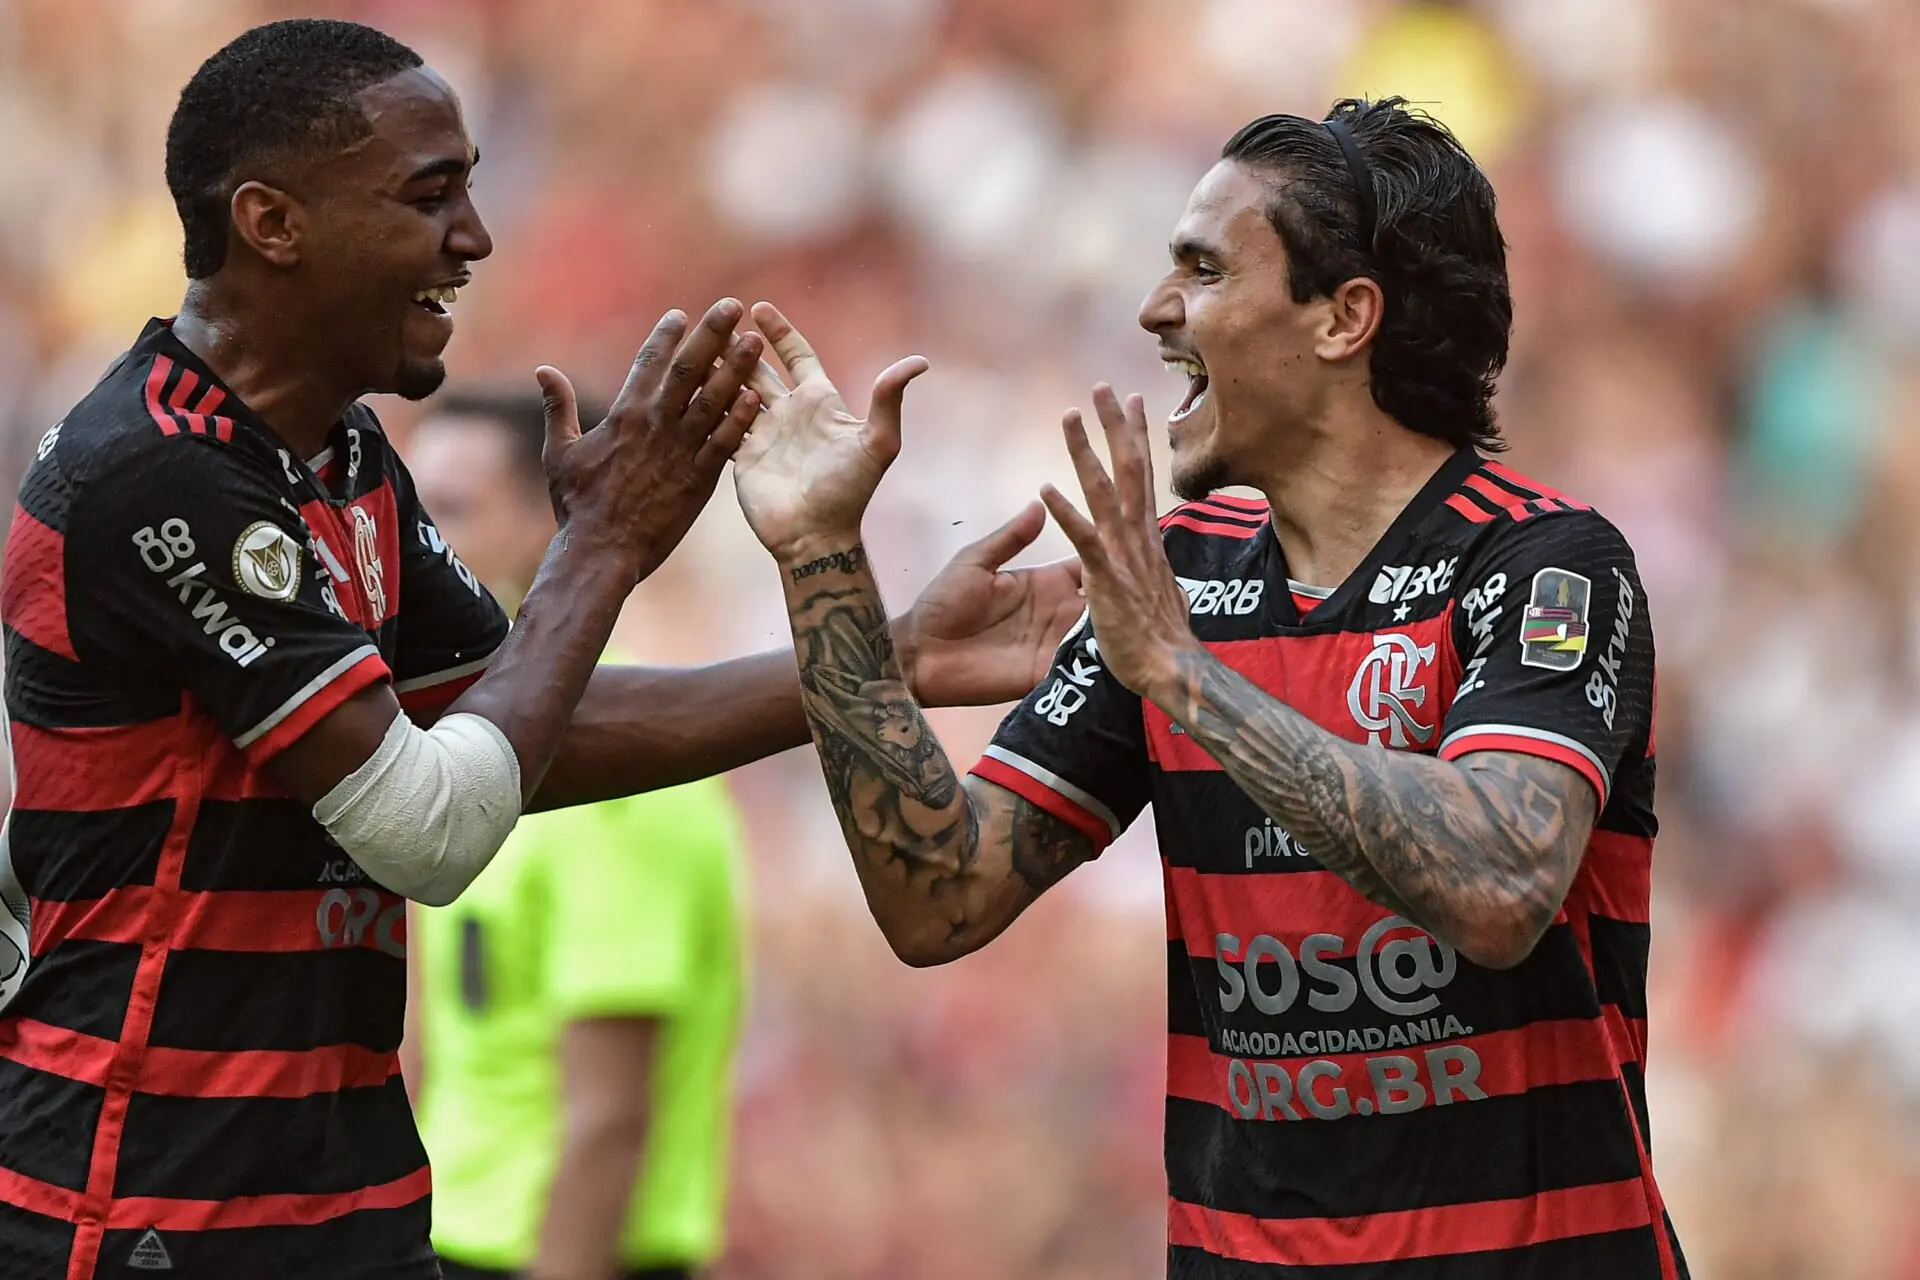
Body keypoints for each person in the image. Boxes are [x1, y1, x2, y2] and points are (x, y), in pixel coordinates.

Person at [0, 19, 1080, 1279]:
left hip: (344, 1208)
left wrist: (877, 663)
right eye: (429, 196)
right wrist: (600, 546)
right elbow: (429, 827)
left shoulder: (339, 455)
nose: (474, 237)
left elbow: (517, 726)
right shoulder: (157, 471)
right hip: (143, 1212)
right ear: (273, 223)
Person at [733, 97, 1685, 1279]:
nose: (1155, 307)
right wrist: (821, 555)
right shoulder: (1181, 575)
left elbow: (1498, 885)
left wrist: (1185, 678)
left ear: (1345, 317)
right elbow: (939, 898)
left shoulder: (1545, 564)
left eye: (1204, 269)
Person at [402, 390, 746, 1280]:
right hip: (447, 1237)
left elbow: (607, 1117)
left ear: (552, 527)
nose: (410, 544)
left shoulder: (621, 770)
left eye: (449, 511)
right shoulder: (464, 740)